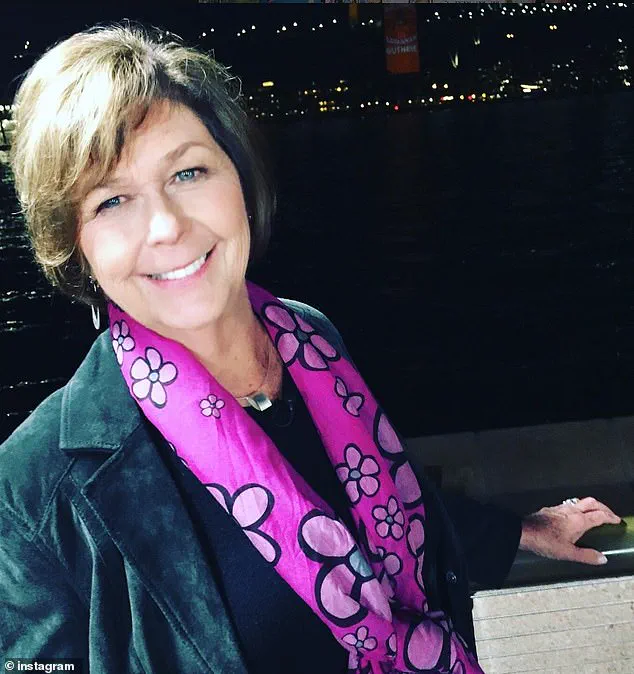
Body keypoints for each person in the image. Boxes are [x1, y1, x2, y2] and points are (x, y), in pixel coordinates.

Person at [0, 23, 621, 674]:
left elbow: (379, 504)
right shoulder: (31, 495)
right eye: (112, 201)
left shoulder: (309, 341)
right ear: (76, 245)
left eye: (188, 171)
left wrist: (522, 532)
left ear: (240, 178)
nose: (165, 226)